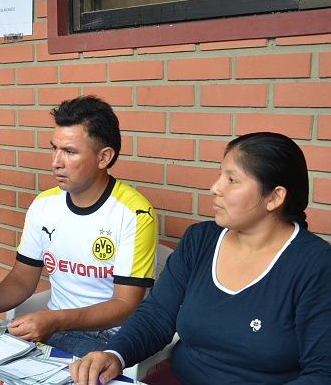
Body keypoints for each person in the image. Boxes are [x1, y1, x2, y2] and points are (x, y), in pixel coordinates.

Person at [71, 132, 331, 385]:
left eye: (232, 180)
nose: (215, 188)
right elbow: (157, 316)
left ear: (275, 197)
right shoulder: (200, 240)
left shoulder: (315, 264)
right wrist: (115, 354)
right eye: (220, 175)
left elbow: (323, 371)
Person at [0, 96, 157, 358]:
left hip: (109, 337)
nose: (55, 162)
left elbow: (125, 305)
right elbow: (22, 278)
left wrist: (56, 320)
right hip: (54, 327)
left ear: (104, 157)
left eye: (69, 152)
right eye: (54, 149)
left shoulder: (134, 213)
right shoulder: (44, 205)